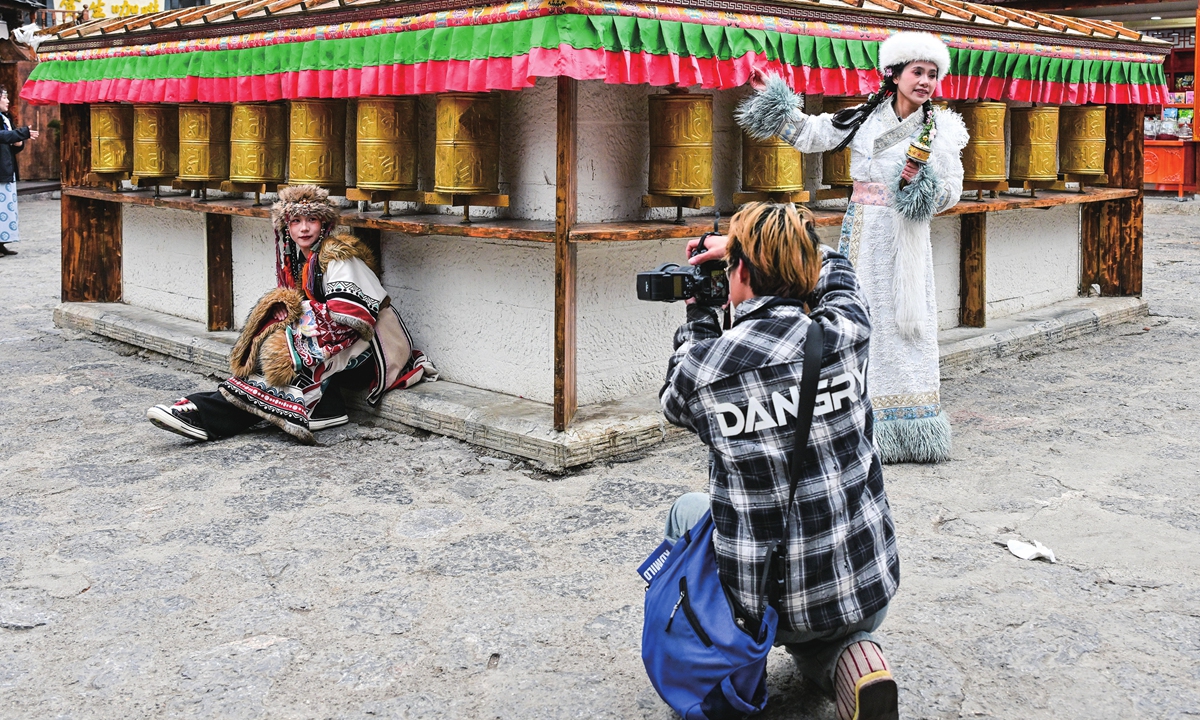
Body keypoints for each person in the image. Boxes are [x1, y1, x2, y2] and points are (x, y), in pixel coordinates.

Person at [660, 202, 899, 720]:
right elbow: (839, 273)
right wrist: (769, 245)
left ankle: (732, 659)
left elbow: (676, 394)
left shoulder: (705, 370)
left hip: (768, 605)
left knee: (685, 513)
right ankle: (853, 658)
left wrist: (701, 311)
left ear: (740, 272)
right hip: (866, 588)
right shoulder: (845, 334)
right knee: (826, 620)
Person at [735, 32, 968, 464]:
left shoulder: (942, 130)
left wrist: (922, 191)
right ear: (894, 74)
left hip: (908, 239)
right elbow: (809, 133)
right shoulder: (862, 117)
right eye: (917, 72)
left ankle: (911, 426)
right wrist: (774, 96)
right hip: (864, 232)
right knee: (857, 317)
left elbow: (953, 189)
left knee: (906, 323)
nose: (925, 82)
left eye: (933, 74)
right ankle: (856, 423)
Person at [147, 185, 436, 443]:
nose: (303, 228)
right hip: (340, 349)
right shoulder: (300, 261)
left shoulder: (338, 255)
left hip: (374, 348)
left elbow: (353, 315)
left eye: (311, 219)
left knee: (292, 359)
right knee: (275, 351)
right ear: (287, 226)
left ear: (324, 223)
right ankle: (325, 407)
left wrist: (294, 333)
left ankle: (208, 416)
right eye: (295, 221)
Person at [0, 87, 39, 257]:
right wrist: (21, 133)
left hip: (6, 168)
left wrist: (19, 141)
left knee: (5, 209)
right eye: (4, 97)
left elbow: (10, 143)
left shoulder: (5, 118)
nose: (7, 101)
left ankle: (1, 243)